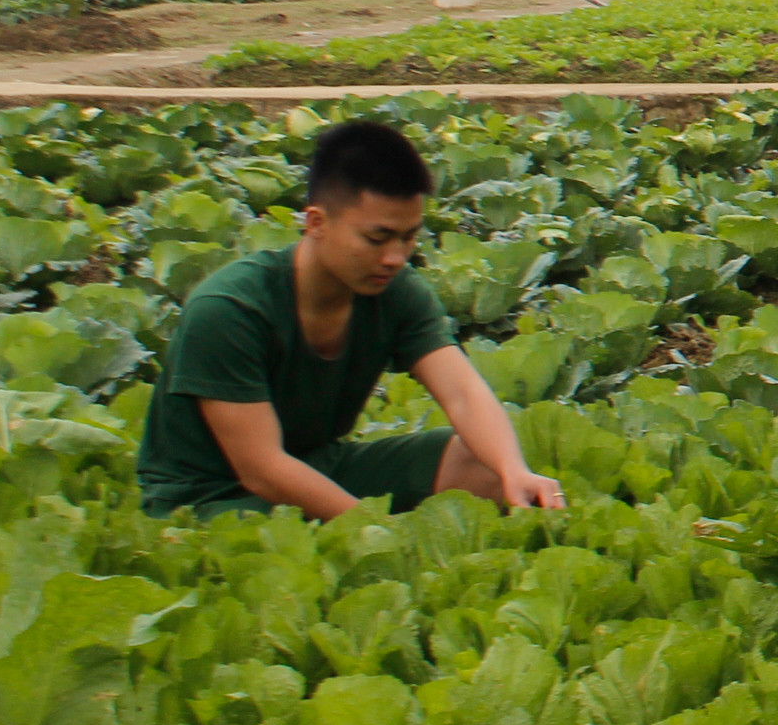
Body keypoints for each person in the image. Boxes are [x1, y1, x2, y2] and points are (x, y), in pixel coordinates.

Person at [135, 120, 564, 520]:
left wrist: (514, 470)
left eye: (409, 237)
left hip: (318, 466)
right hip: (210, 498)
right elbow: (262, 470)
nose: (395, 258)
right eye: (376, 239)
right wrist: (370, 526)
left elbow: (463, 393)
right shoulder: (229, 310)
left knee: (482, 463)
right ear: (317, 222)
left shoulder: (394, 290)